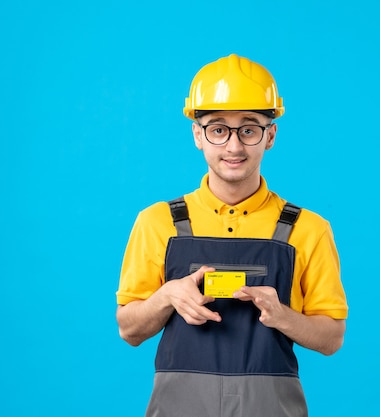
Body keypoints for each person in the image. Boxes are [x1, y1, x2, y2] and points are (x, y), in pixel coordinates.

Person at [116, 53, 348, 417]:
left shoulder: (308, 229)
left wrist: (280, 314)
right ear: (198, 134)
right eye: (218, 128)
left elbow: (332, 338)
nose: (234, 147)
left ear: (270, 135)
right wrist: (167, 295)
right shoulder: (157, 222)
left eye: (249, 128)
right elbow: (129, 330)